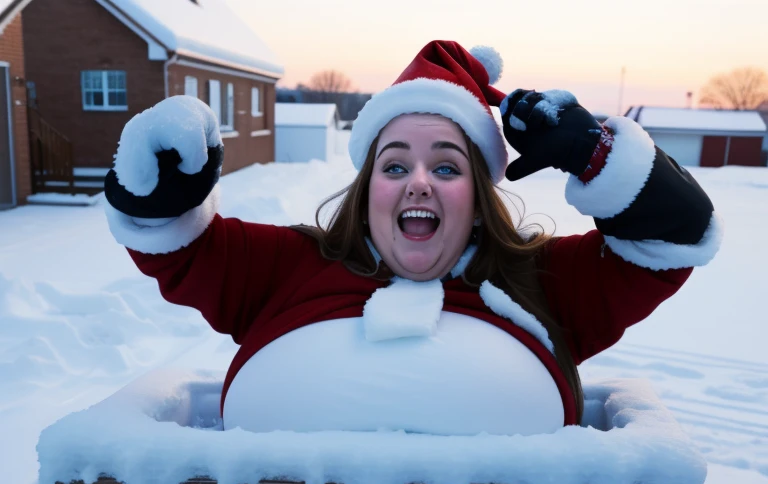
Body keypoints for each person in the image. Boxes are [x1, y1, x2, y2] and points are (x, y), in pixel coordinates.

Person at [103, 41, 722, 436]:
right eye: (394, 166)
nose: (418, 182)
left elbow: (672, 239)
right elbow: (178, 246)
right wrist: (159, 193)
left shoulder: (546, 281)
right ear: (367, 188)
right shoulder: (288, 266)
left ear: (479, 201)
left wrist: (596, 153)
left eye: (447, 167)